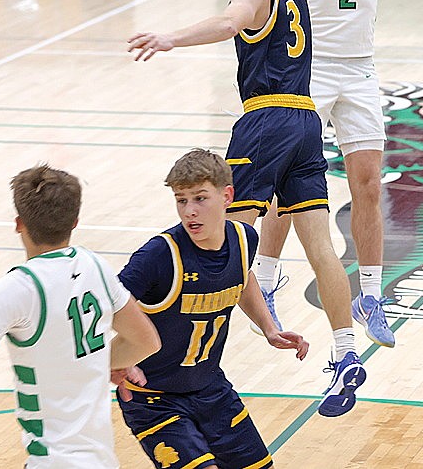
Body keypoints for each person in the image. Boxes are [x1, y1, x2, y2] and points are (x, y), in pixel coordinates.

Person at [127, 0, 367, 418]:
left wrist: (169, 38)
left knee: (218, 233)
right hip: (306, 123)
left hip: (264, 121)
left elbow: (229, 22)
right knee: (319, 245)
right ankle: (344, 350)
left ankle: (181, 356)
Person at [0, 164, 161, 468]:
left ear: (19, 223)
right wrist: (94, 365)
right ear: (74, 222)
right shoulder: (94, 266)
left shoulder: (18, 288)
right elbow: (146, 341)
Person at [259, 0, 395, 349]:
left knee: (367, 184)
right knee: (289, 185)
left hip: (360, 72)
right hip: (310, 72)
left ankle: (373, 296)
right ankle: (265, 278)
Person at [114, 149, 309, 468]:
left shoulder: (245, 238)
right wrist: (116, 360)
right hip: (154, 399)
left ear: (227, 196)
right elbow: (109, 303)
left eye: (200, 198)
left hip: (210, 388)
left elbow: (242, 276)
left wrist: (269, 327)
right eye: (181, 200)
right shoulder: (160, 255)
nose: (190, 211)